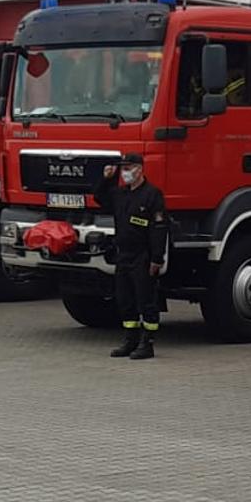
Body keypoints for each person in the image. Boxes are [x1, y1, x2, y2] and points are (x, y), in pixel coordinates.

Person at [95, 153, 169, 360]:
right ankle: (130, 340)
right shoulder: (120, 194)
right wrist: (107, 178)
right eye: (123, 168)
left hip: (143, 255)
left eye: (128, 168)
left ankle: (148, 343)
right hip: (123, 255)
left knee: (145, 299)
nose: (125, 172)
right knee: (125, 299)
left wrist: (157, 258)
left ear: (139, 169)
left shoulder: (152, 195)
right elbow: (100, 198)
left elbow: (158, 228)